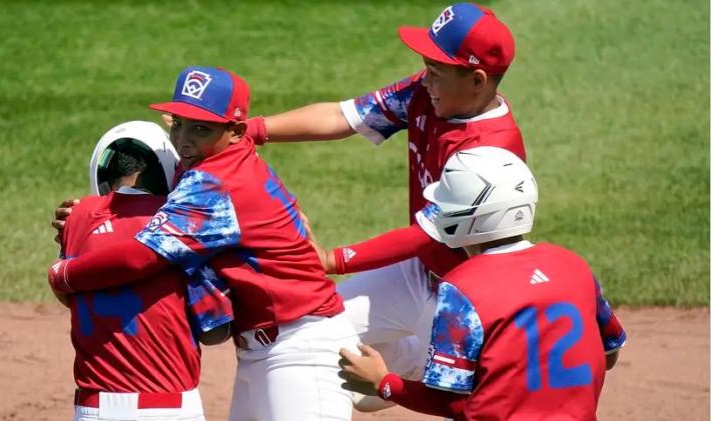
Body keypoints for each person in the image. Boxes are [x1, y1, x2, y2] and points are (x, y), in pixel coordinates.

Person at [244, 2, 525, 411]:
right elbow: (344, 117)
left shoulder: (490, 150)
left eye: (436, 71)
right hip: (417, 271)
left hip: (468, 297)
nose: (423, 79)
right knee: (317, 333)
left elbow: (426, 233)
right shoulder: (427, 94)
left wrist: (331, 260)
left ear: (478, 80)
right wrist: (252, 131)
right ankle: (412, 362)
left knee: (474, 407)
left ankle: (418, 366)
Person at [49, 66, 360, 421]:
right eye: (179, 124)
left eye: (201, 129)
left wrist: (64, 274)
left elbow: (140, 256)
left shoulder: (214, 183)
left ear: (237, 131)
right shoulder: (229, 158)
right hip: (262, 352)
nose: (183, 141)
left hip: (300, 351)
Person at [337, 146, 627, 419]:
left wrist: (383, 382)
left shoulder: (463, 286)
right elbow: (609, 352)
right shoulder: (573, 265)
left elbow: (450, 401)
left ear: (463, 219)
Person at [56, 120, 230, 421]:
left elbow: (69, 295)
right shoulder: (183, 225)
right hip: (170, 408)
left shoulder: (76, 217)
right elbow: (215, 332)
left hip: (93, 409)